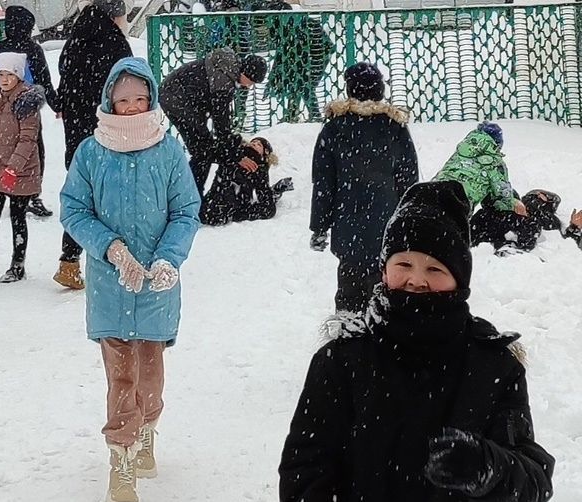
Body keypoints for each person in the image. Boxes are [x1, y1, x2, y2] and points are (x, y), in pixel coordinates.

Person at [263, 180, 555, 502]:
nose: (417, 279)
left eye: (434, 268)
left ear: (459, 278)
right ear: (384, 268)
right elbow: (306, 479)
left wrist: (486, 467)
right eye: (404, 263)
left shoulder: (490, 364)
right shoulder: (343, 360)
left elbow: (533, 485)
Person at [60, 57, 200, 502]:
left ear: (152, 99)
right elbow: (74, 210)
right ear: (109, 103)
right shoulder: (91, 152)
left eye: (140, 98)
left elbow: (186, 210)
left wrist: (167, 258)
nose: (133, 107)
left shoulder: (168, 150)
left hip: (158, 286)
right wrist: (112, 250)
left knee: (151, 373)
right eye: (123, 101)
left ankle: (147, 429)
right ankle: (120, 461)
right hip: (110, 283)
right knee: (121, 373)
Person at [310, 62, 419, 314]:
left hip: (348, 221)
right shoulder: (394, 127)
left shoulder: (334, 128)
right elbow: (408, 180)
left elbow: (324, 183)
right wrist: (409, 219)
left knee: (349, 288)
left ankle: (348, 336)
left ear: (349, 90)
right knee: (386, 282)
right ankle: (384, 334)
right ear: (380, 90)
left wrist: (319, 226)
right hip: (387, 221)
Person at [55, 0, 133, 290]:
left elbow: (64, 83)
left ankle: (69, 260)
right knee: (113, 193)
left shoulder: (76, 39)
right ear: (116, 17)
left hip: (76, 131)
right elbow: (125, 88)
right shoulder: (115, 43)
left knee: (81, 193)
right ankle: (116, 257)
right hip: (106, 127)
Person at [0, 52, 45, 285]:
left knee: (17, 217)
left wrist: (13, 168)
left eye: (9, 74)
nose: (4, 79)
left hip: (21, 171)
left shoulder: (26, 103)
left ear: (18, 75)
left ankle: (18, 264)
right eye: (0, 74)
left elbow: (28, 139)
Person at [159, 47, 268, 194]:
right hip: (177, 100)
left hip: (179, 97)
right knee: (203, 151)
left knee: (204, 150)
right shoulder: (224, 80)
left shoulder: (227, 69)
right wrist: (236, 155)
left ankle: (191, 196)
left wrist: (231, 149)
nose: (250, 85)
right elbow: (221, 122)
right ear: (246, 73)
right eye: (251, 81)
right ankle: (191, 198)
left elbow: (221, 120)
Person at [0, 5, 60, 218]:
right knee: (34, 150)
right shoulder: (32, 49)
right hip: (26, 107)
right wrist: (58, 106)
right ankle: (31, 195)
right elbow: (44, 81)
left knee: (0, 148)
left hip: (1, 107)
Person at [435, 121, 527, 217]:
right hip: (456, 203)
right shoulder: (495, 163)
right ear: (497, 144)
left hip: (431, 191)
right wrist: (515, 203)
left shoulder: (460, 153)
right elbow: (503, 198)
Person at [200, 136, 293, 225]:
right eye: (252, 142)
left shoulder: (260, 170)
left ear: (265, 153)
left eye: (259, 144)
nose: (254, 144)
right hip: (211, 207)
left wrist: (239, 214)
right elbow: (211, 153)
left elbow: (267, 207)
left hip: (230, 209)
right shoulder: (233, 154)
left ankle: (274, 192)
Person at [266, 4, 334, 123]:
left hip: (316, 56)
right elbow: (282, 52)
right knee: (297, 82)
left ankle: (314, 115)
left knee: (304, 84)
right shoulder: (287, 26)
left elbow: (284, 52)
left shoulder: (295, 25)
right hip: (306, 57)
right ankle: (293, 113)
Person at [471, 188, 582, 253]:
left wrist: (575, 227)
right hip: (478, 238)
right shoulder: (511, 199)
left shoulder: (542, 220)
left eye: (543, 198)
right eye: (537, 194)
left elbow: (566, 248)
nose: (538, 197)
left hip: (509, 252)